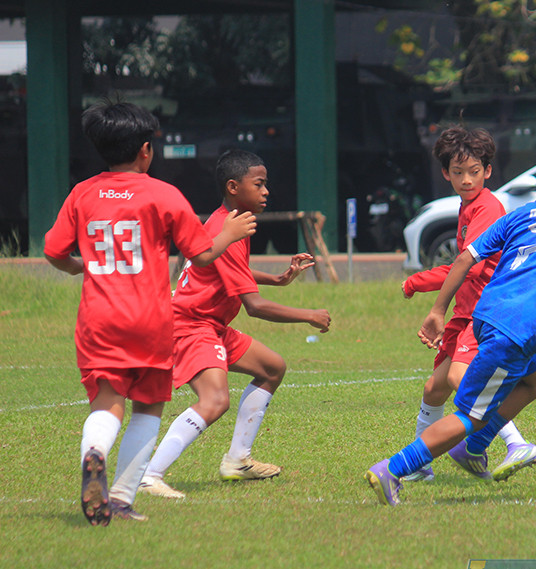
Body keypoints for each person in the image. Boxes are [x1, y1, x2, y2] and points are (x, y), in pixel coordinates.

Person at [44, 100, 257, 525]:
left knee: (108, 402)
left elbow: (54, 251)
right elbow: (200, 256)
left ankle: (94, 452)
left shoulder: (82, 193)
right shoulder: (163, 195)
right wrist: (229, 232)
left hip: (98, 319)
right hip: (151, 320)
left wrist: (79, 266)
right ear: (145, 150)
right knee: (147, 406)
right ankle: (121, 497)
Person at [365, 138, 536, 506]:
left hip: (485, 317)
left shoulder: (521, 214)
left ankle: (472, 449)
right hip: (515, 329)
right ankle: (393, 469)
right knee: (471, 413)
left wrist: (436, 310)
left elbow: (463, 259)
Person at [138, 149, 331, 499]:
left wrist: (278, 278)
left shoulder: (233, 223)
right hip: (190, 325)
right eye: (259, 184)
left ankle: (238, 460)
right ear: (233, 186)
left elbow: (231, 271)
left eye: (266, 184)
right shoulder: (225, 229)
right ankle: (150, 475)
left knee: (272, 367)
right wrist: (309, 315)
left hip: (210, 324)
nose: (266, 191)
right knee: (215, 400)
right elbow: (254, 307)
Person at [400, 126, 536, 483]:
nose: (465, 179)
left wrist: (420, 282)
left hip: (485, 313)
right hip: (466, 312)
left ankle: (515, 443)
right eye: (457, 172)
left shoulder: (489, 207)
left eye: (474, 171)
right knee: (435, 388)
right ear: (445, 173)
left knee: (463, 377)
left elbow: (469, 263)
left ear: (488, 171)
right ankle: (420, 464)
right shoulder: (468, 206)